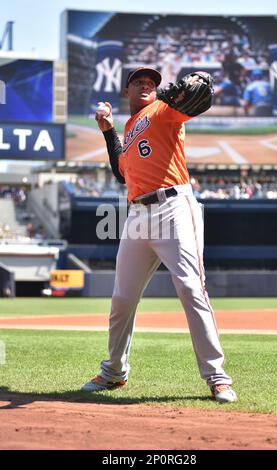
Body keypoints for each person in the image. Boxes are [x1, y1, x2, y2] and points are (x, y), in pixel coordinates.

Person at [81, 66, 237, 403]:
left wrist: (199, 78)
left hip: (172, 207)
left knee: (192, 288)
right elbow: (121, 172)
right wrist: (108, 130)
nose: (146, 85)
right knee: (122, 298)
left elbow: (199, 98)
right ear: (128, 91)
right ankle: (114, 372)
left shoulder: (165, 110)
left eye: (151, 82)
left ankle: (217, 377)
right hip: (137, 213)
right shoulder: (130, 125)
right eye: (138, 81)